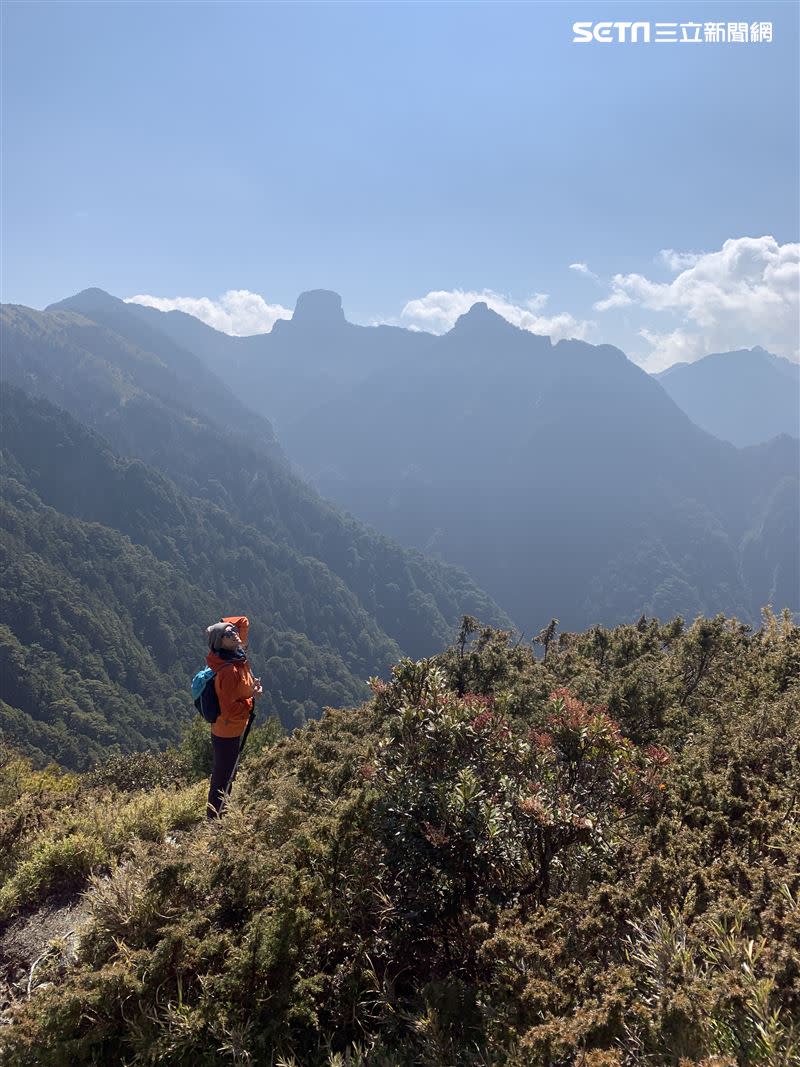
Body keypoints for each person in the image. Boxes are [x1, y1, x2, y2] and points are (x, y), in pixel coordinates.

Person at [204, 615, 263, 818]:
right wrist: (251, 701)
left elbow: (243, 621)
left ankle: (219, 814)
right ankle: (215, 819)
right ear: (221, 642)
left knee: (227, 774)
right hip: (226, 730)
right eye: (229, 633)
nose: (235, 633)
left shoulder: (236, 657)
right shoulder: (229, 670)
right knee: (224, 777)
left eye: (233, 630)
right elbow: (228, 709)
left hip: (231, 729)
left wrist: (220, 625)